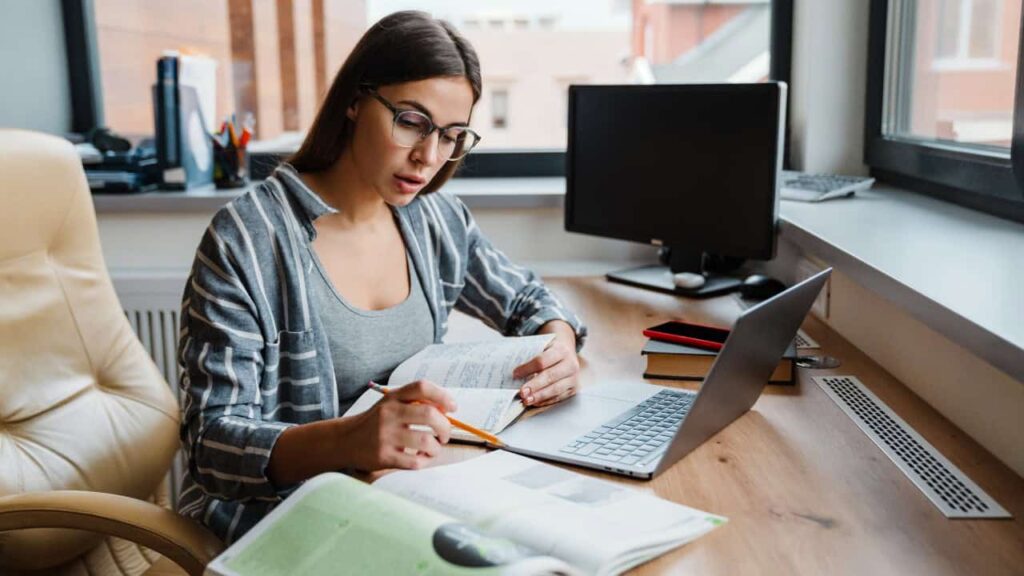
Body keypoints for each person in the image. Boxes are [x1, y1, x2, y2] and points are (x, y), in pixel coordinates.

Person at [176, 10, 587, 544]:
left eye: (451, 135)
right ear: (353, 100)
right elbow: (212, 444)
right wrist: (349, 440)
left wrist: (559, 345)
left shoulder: (435, 220)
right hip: (278, 522)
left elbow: (529, 298)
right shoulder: (248, 241)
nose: (429, 157)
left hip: (403, 499)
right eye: (411, 122)